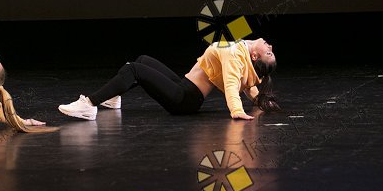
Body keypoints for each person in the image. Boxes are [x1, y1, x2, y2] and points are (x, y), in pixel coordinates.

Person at [58, 38, 279, 121]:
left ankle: (89, 105)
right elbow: (248, 84)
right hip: (184, 86)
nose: (269, 46)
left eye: (269, 52)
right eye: (271, 50)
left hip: (185, 99)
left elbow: (232, 84)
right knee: (143, 59)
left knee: (134, 69)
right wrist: (259, 99)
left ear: (255, 56)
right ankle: (113, 97)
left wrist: (236, 110)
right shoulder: (243, 51)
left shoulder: (236, 56)